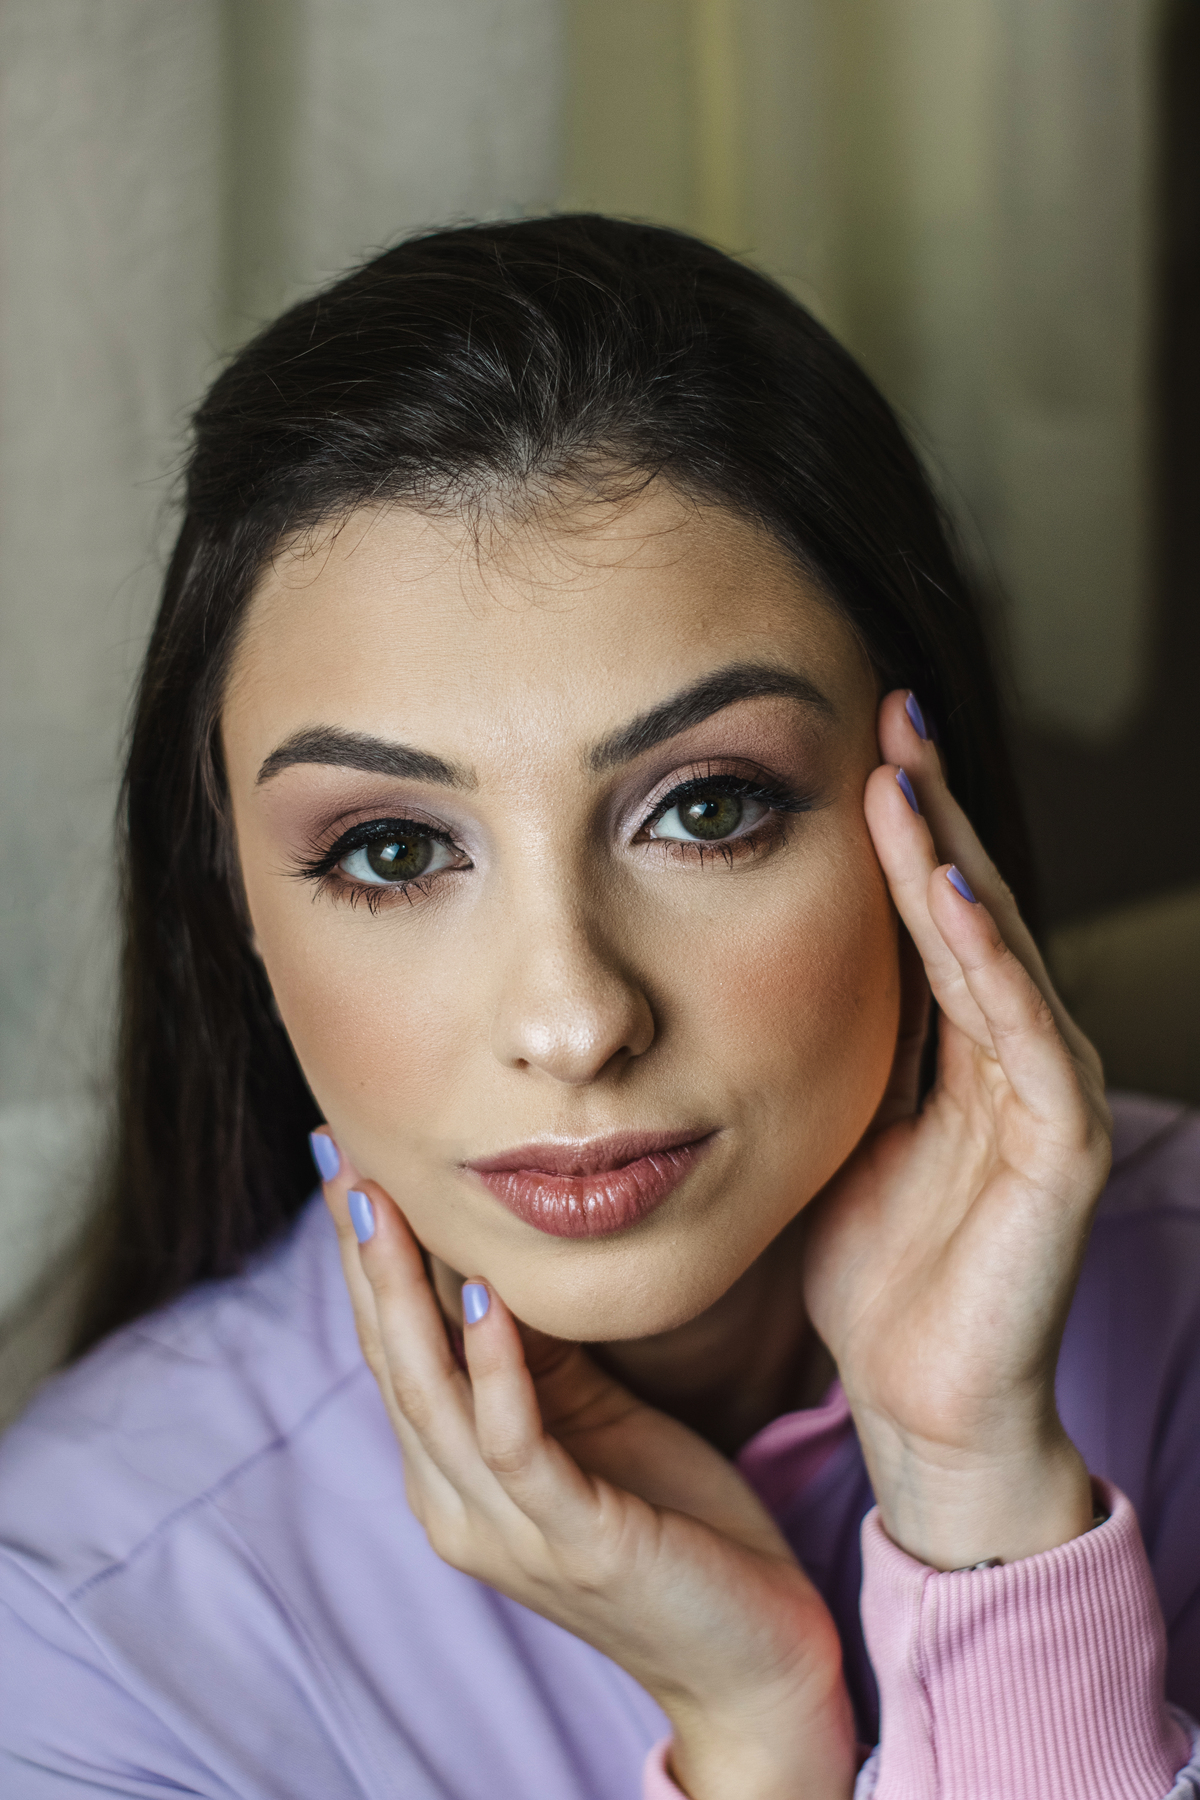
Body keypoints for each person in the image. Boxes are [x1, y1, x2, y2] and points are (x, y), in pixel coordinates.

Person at [0, 215, 1197, 1800]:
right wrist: (755, 1732)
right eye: (392, 850)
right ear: (241, 917)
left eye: (706, 810)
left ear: (922, 805)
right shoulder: (78, 1632)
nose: (574, 1023)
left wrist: (980, 1495)